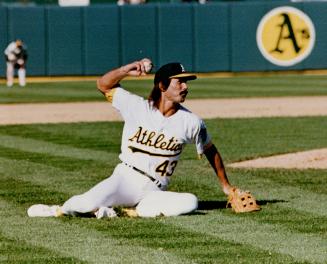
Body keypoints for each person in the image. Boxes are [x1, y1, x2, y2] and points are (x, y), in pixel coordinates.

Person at [27, 58, 233, 218]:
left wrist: (227, 187)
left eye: (186, 82)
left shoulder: (192, 122)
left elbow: (210, 150)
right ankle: (58, 210)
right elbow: (103, 84)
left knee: (190, 202)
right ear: (162, 86)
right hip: (124, 179)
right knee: (85, 203)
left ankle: (127, 212)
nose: (185, 87)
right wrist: (126, 70)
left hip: (155, 189)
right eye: (179, 82)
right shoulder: (135, 106)